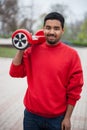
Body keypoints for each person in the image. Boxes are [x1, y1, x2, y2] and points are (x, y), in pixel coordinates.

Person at [9, 12, 84, 130]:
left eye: (56, 28)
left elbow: (75, 90)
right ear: (43, 28)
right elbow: (15, 72)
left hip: (57, 119)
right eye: (48, 28)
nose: (52, 32)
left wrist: (67, 118)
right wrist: (22, 48)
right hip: (31, 117)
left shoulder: (72, 55)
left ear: (62, 30)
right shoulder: (32, 50)